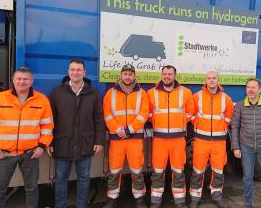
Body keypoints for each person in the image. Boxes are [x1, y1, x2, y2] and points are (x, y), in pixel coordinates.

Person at [0, 67, 54, 208]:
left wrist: (41, 146)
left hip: (30, 154)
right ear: (13, 80)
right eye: (19, 79)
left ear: (31, 81)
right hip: (4, 154)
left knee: (32, 189)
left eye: (25, 79)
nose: (22, 82)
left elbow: (47, 126)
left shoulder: (41, 100)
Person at [48, 59, 105, 208]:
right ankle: (60, 205)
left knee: (84, 178)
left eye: (79, 70)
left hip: (85, 144)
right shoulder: (57, 92)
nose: (75, 72)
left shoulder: (92, 93)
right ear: (68, 72)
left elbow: (99, 117)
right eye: (72, 69)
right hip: (62, 143)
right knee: (60, 179)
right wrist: (49, 141)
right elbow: (49, 119)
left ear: (84, 73)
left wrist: (99, 140)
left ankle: (81, 205)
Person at [102, 64, 149, 208]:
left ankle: (139, 198)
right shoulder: (111, 93)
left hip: (134, 138)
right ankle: (112, 198)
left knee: (137, 169)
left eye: (130, 74)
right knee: (114, 169)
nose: (127, 76)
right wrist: (117, 129)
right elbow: (107, 114)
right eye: (125, 74)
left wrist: (128, 130)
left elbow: (143, 115)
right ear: (121, 76)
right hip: (117, 139)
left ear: (134, 76)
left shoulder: (142, 93)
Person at [147, 65, 194, 208]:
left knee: (178, 170)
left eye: (170, 74)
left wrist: (178, 123)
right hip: (159, 139)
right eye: (165, 74)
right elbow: (147, 114)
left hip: (178, 139)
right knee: (158, 171)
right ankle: (155, 201)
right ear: (161, 75)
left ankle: (180, 201)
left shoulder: (186, 92)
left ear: (175, 75)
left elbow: (190, 113)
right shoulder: (151, 93)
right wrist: (157, 122)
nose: (167, 76)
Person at [231, 78, 261, 208]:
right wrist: (236, 147)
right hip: (246, 147)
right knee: (247, 178)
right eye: (248, 87)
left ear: (259, 90)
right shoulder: (240, 105)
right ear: (246, 89)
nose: (251, 90)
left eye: (254, 87)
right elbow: (235, 127)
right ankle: (248, 204)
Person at [189, 71, 234, 208]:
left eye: (214, 78)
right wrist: (198, 124)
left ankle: (217, 196)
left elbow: (229, 116)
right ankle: (195, 198)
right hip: (201, 141)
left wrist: (221, 125)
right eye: (209, 78)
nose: (211, 80)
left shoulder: (226, 98)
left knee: (218, 169)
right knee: (198, 169)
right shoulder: (196, 96)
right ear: (205, 81)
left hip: (219, 142)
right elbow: (190, 114)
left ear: (218, 80)